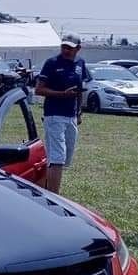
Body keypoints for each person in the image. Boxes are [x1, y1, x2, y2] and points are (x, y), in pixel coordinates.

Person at [34, 32, 90, 195]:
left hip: (71, 116)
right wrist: (61, 94)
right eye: (63, 46)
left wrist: (78, 112)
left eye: (70, 48)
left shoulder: (81, 63)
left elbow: (79, 90)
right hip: (54, 115)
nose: (66, 50)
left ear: (78, 49)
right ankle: (53, 197)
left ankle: (42, 188)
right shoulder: (51, 63)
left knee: (63, 159)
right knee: (58, 158)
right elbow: (39, 89)